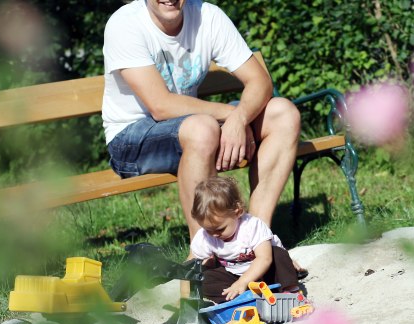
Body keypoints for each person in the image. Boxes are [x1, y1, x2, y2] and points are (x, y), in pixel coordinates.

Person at [101, 0, 300, 246]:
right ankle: (204, 254)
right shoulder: (125, 23)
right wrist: (230, 114)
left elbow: (260, 81)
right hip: (131, 139)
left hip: (193, 130)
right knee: (203, 128)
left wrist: (239, 119)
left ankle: (255, 240)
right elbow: (161, 106)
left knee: (283, 113)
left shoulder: (209, 16)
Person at [189, 176, 298, 304]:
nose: (214, 235)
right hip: (234, 276)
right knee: (205, 278)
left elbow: (265, 259)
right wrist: (186, 298)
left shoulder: (252, 226)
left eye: (220, 229)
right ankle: (242, 298)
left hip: (266, 273)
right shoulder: (205, 236)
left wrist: (244, 282)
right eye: (208, 230)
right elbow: (190, 266)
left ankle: (290, 293)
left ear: (237, 212)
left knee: (278, 254)